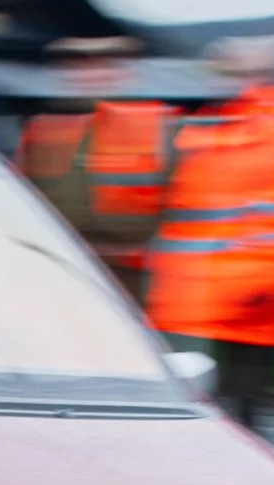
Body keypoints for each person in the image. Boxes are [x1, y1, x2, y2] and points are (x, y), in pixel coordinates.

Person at [144, 33, 274, 427]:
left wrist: (258, 286)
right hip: (209, 291)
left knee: (241, 409)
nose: (222, 79)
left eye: (234, 71)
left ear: (268, 73)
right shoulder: (225, 121)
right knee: (214, 406)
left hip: (248, 297)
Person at [17, 39, 173, 302]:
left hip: (135, 286)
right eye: (78, 66)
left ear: (126, 71)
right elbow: (20, 204)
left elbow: (182, 212)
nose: (90, 75)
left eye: (104, 65)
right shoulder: (42, 130)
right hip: (59, 277)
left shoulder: (162, 128)